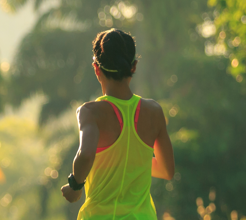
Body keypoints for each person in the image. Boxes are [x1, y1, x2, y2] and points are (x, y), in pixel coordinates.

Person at [61, 28, 175, 220]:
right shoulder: (154, 112)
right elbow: (167, 170)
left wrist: (75, 186)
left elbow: (86, 154)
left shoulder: (90, 113)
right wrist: (131, 159)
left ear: (96, 68)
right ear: (134, 66)